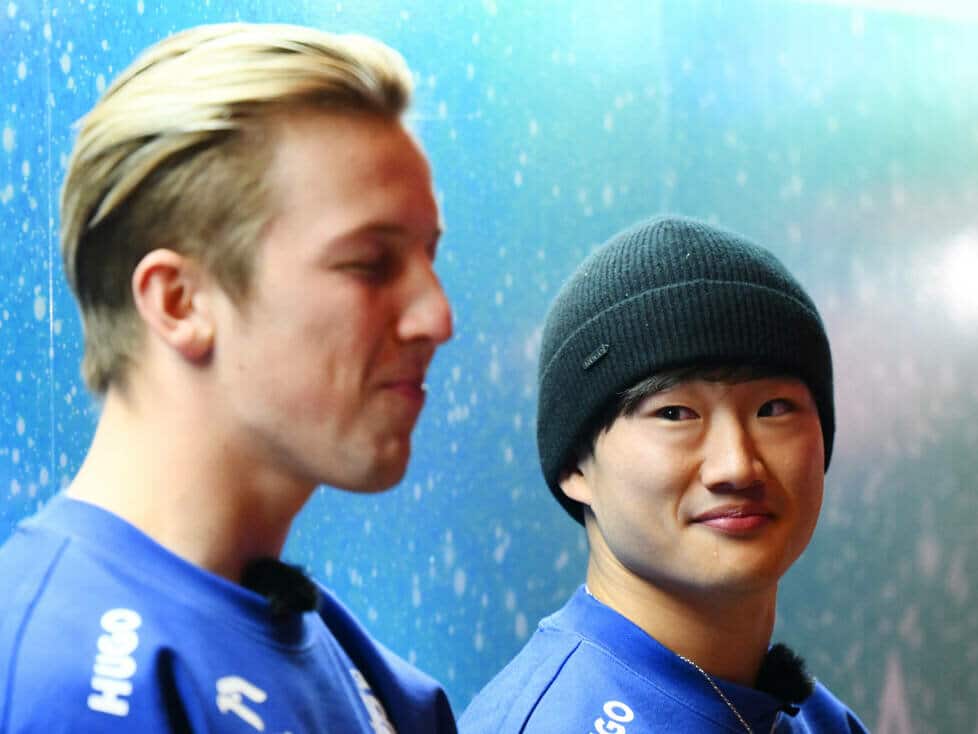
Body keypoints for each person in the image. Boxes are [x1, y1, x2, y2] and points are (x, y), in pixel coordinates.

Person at [0, 23, 457, 733]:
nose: (437, 317)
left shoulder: (376, 681)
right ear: (180, 302)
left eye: (430, 257)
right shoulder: (62, 682)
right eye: (370, 263)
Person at [460, 216, 868, 733]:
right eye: (675, 414)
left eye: (773, 409)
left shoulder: (814, 719)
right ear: (574, 466)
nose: (737, 466)